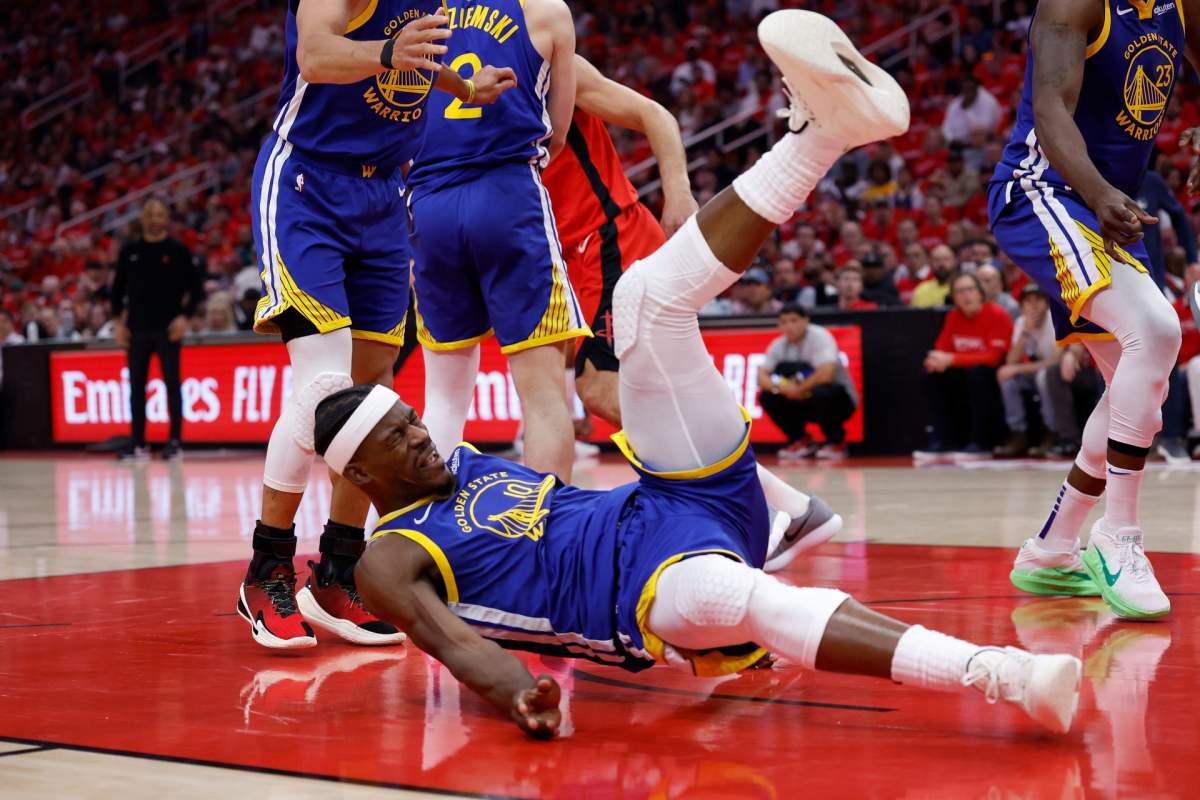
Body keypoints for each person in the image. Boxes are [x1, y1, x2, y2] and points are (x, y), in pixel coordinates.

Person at [314, 13, 1081, 739]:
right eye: (399, 437)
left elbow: (472, 417)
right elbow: (454, 646)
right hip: (642, 591)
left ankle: (824, 135)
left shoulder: (461, 463)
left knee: (643, 301)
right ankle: (1003, 673)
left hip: (673, 501)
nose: (421, 435)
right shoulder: (391, 555)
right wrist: (518, 691)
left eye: (410, 420)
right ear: (360, 473)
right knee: (747, 599)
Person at [236, 0, 516, 650]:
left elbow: (415, 58)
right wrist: (388, 54)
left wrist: (462, 87)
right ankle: (266, 566)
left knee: (372, 393)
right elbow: (315, 54)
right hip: (307, 185)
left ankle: (339, 568)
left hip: (384, 193)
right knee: (324, 388)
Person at [989, 0, 1191, 618]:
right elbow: (1050, 104)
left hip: (1109, 207)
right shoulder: (1075, 3)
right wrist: (1100, 192)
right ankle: (1118, 535)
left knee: (1139, 388)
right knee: (1155, 332)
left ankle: (1051, 549)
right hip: (1044, 190)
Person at [407, 0, 584, 485]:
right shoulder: (547, 11)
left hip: (430, 204)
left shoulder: (418, 12)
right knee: (543, 395)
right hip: (507, 195)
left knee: (444, 396)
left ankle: (430, 522)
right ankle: (546, 526)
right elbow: (558, 134)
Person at [111, 199, 203, 461]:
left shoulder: (178, 250)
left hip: (168, 328)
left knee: (172, 384)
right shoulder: (130, 251)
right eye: (150, 214)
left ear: (166, 219)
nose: (154, 218)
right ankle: (138, 443)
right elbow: (116, 290)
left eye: (160, 214)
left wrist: (184, 318)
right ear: (142, 218)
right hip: (136, 330)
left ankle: (175, 442)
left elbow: (197, 289)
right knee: (136, 386)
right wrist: (117, 322)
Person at [919, 273, 1012, 458]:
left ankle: (981, 442)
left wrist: (952, 359)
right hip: (965, 374)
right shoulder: (953, 316)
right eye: (960, 291)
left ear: (980, 292)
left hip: (993, 374)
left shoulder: (997, 314)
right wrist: (933, 361)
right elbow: (941, 350)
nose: (966, 295)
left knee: (979, 374)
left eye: (970, 289)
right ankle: (944, 441)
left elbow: (993, 358)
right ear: (954, 297)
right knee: (932, 376)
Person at [758, 305, 858, 461]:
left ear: (805, 321)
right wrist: (781, 389)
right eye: (784, 322)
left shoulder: (820, 337)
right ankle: (801, 440)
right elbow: (761, 376)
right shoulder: (778, 345)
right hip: (800, 400)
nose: (789, 326)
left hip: (839, 400)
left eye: (794, 321)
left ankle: (836, 442)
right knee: (767, 396)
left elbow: (826, 373)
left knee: (822, 392)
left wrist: (798, 389)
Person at [995, 285, 1059, 457]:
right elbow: (1011, 361)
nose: (1033, 305)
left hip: (1056, 373)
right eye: (1028, 301)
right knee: (1008, 380)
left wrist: (1018, 368)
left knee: (1043, 377)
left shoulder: (1055, 320)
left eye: (1038, 300)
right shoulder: (1022, 322)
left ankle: (1052, 433)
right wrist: (1025, 333)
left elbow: (1055, 361)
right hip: (1035, 371)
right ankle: (1018, 435)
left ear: (1046, 303)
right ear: (1022, 306)